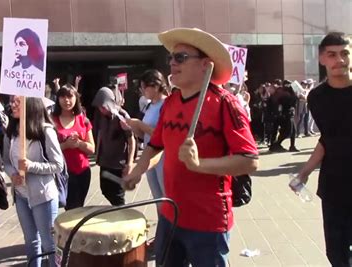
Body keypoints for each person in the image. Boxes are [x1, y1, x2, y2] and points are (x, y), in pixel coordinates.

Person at [123, 28, 259, 266]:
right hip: (170, 214)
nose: (172, 63)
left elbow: (249, 160)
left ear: (205, 65)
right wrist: (137, 169)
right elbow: (156, 147)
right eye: (171, 58)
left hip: (208, 221)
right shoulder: (171, 102)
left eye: (181, 58)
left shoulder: (226, 104)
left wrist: (199, 164)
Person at [296, 32, 352, 266]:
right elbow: (328, 140)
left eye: (345, 53)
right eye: (332, 54)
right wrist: (305, 172)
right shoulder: (317, 97)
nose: (340, 60)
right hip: (334, 187)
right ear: (322, 59)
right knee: (336, 254)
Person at [4, 96, 63, 267]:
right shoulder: (11, 131)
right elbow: (6, 161)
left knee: (49, 242)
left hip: (42, 195)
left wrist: (31, 166)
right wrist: (12, 174)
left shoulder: (45, 131)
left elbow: (58, 165)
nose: (12, 105)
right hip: (21, 195)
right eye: (12, 101)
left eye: (17, 102)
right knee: (30, 241)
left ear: (30, 104)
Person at [125, 69, 168, 209]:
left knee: (166, 197)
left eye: (144, 87)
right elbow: (145, 136)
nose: (142, 91)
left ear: (155, 87)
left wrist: (139, 124)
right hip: (149, 156)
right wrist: (132, 126)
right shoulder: (149, 105)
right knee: (157, 198)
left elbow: (163, 134)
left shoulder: (167, 105)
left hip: (163, 157)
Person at [52, 84, 95, 210]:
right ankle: (71, 230)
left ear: (76, 98)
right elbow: (48, 150)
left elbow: (92, 149)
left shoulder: (83, 120)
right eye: (63, 97)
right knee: (71, 208)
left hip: (82, 171)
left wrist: (79, 144)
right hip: (62, 172)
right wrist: (66, 145)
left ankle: (74, 230)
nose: (67, 100)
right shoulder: (51, 121)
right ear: (58, 99)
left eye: (70, 97)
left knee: (78, 207)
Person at [92, 87, 136, 206]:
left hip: (118, 162)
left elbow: (131, 140)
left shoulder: (121, 115)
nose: (102, 109)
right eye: (100, 106)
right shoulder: (99, 115)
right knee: (105, 189)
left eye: (104, 106)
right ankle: (118, 211)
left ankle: (123, 215)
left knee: (117, 194)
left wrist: (130, 163)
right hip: (105, 160)